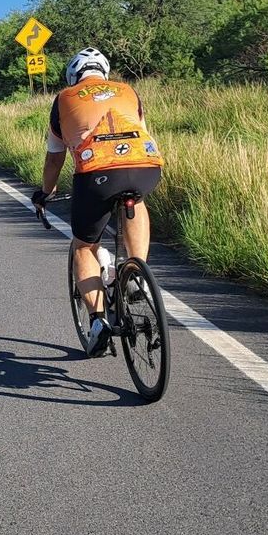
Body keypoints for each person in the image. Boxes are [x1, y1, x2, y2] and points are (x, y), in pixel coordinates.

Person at [30, 48, 164, 356]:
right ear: (104, 72)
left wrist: (46, 193)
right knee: (135, 200)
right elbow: (141, 129)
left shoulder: (64, 98)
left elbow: (55, 158)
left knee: (84, 247)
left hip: (97, 173)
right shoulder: (127, 90)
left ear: (73, 76)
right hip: (146, 167)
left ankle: (98, 321)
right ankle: (136, 272)